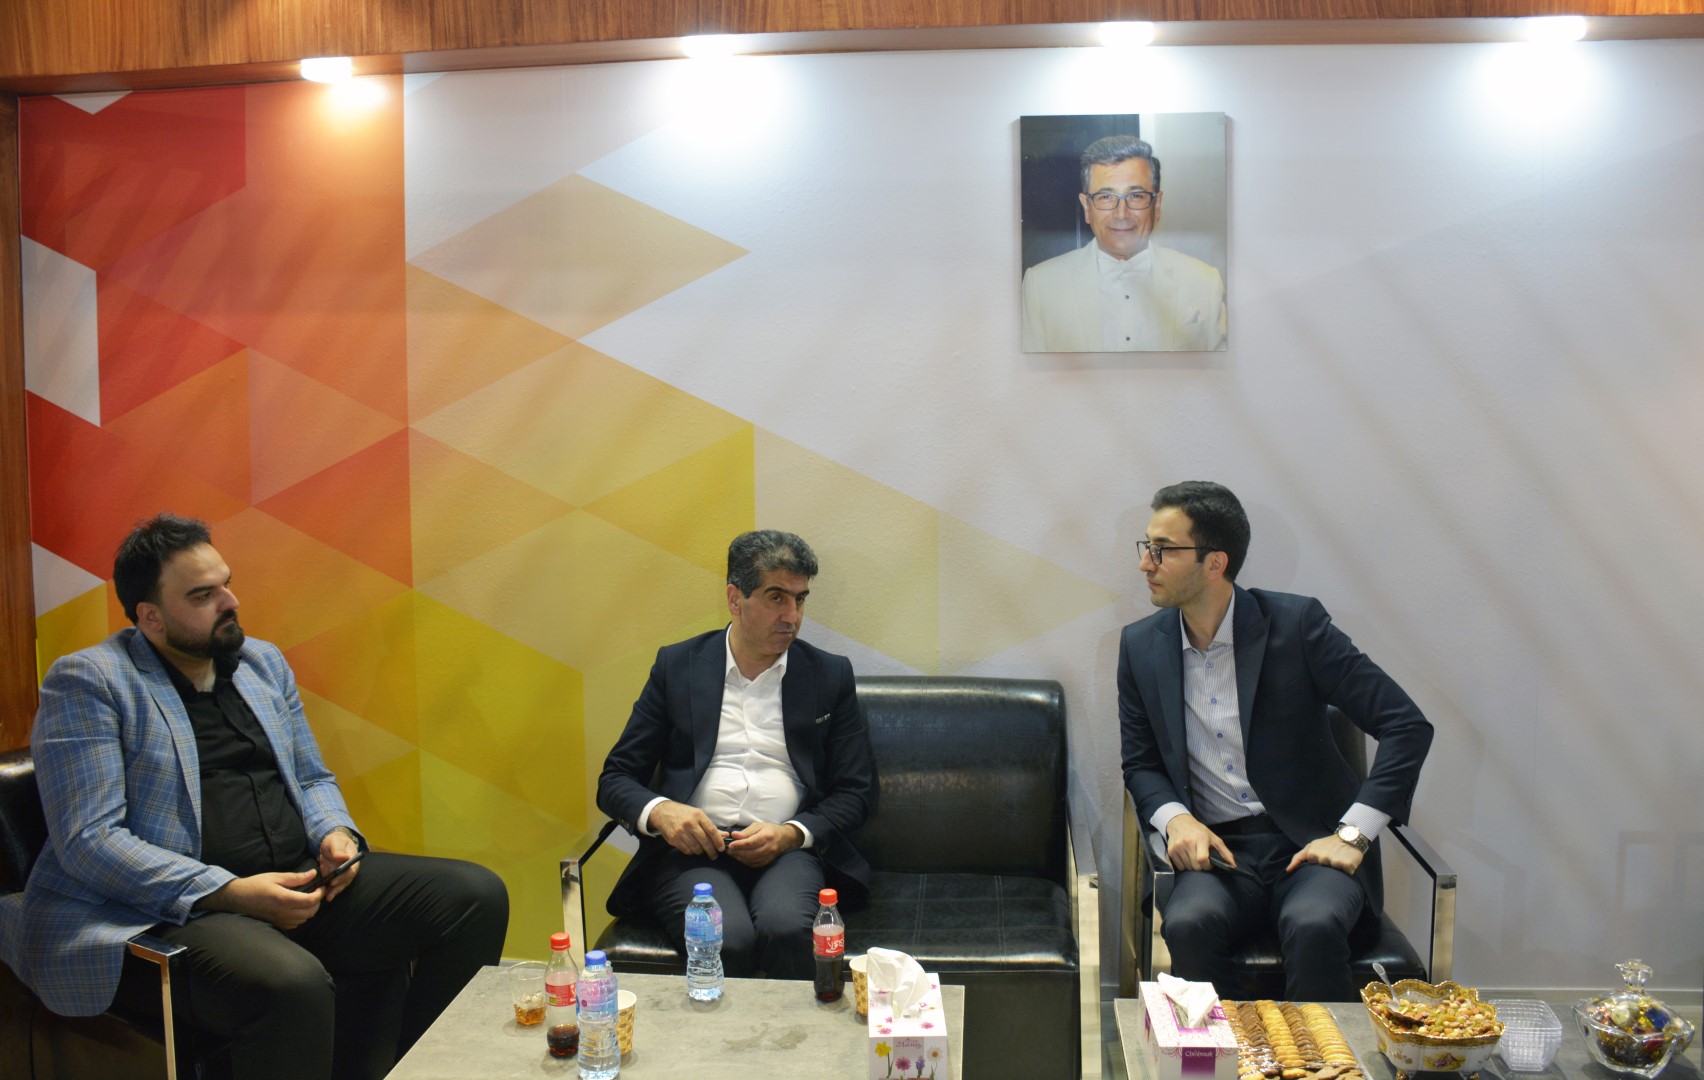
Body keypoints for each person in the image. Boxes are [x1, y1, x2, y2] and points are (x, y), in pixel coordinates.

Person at [0, 514, 508, 1080]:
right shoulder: (90, 681)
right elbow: (90, 841)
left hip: (293, 879)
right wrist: (229, 892)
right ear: (150, 617)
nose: (230, 602)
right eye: (202, 595)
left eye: (226, 584)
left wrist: (335, 833)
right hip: (165, 908)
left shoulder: (260, 663)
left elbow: (311, 778)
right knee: (291, 984)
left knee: (473, 897)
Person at [1118, 482, 1432, 1001]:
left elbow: (1406, 725)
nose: (1145, 563)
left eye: (1162, 550)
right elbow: (1141, 762)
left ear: (1215, 562)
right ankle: (1219, 1048)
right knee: (1189, 923)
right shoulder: (1140, 646)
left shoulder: (1296, 625)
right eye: (1147, 547)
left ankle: (1320, 1050)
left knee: (1313, 925)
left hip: (1309, 844)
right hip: (1219, 853)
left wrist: (1354, 834)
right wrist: (1176, 820)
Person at [597, 530, 876, 978]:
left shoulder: (828, 675)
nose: (792, 616)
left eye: (800, 600)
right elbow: (616, 778)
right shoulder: (678, 667)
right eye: (776, 598)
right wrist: (663, 812)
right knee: (725, 938)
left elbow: (857, 791)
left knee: (787, 928)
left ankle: (788, 1029)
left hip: (787, 850)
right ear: (735, 598)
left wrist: (792, 834)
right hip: (695, 852)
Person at [1022, 134, 1227, 352]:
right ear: (1087, 207)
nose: (1121, 214)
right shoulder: (1041, 286)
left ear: (1157, 206)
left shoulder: (1205, 282)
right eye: (1106, 197)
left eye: (1136, 196)